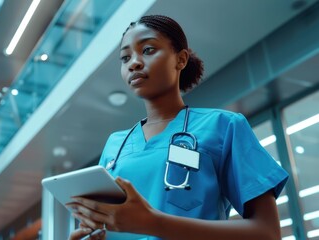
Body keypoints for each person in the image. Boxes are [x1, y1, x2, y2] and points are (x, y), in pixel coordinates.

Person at [66, 15, 288, 240]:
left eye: (148, 49)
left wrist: (153, 223)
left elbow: (267, 232)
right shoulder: (115, 145)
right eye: (125, 57)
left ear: (180, 60)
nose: (133, 63)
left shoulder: (223, 126)